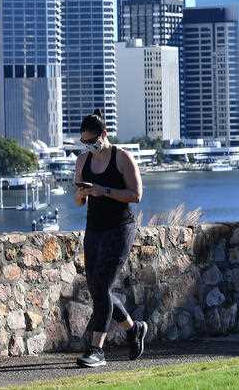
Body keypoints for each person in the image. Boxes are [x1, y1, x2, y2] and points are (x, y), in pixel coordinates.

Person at [74, 109, 147, 368]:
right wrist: (82, 192)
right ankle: (133, 329)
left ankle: (97, 351)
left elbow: (136, 195)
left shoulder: (122, 157)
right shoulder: (83, 161)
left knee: (102, 286)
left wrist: (102, 190)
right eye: (84, 143)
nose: (89, 146)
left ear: (104, 135)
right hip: (94, 230)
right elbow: (79, 201)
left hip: (119, 229)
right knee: (98, 290)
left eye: (93, 141)